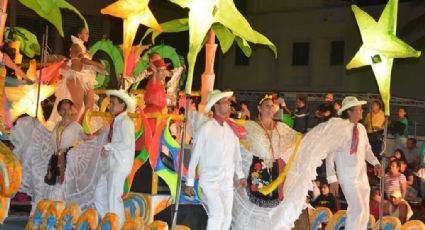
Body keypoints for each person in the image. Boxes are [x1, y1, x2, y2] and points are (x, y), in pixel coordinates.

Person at [10, 99, 106, 212]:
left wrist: (99, 134)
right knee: (50, 188)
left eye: (68, 109)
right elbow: (52, 140)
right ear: (59, 112)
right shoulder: (57, 125)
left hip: (67, 164)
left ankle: (58, 215)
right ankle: (48, 214)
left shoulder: (76, 127)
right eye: (63, 109)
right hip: (54, 162)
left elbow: (85, 140)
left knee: (61, 190)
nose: (65, 112)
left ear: (72, 111)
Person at [232, 94, 298, 230]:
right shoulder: (250, 126)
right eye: (266, 106)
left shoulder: (281, 127)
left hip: (276, 171)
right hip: (257, 169)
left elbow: (297, 140)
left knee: (272, 210)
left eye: (272, 106)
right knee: (257, 207)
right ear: (259, 108)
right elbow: (238, 145)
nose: (269, 108)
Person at [184, 90, 246, 230]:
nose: (229, 104)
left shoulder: (232, 128)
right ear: (216, 106)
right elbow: (195, 156)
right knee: (217, 213)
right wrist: (189, 182)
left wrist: (240, 175)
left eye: (228, 101)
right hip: (210, 180)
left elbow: (237, 155)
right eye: (224, 102)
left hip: (227, 180)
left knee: (228, 216)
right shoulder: (205, 128)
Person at [326, 96, 384, 229]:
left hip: (361, 176)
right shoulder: (339, 130)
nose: (362, 111)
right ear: (349, 112)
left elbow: (367, 150)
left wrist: (376, 163)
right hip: (347, 176)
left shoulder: (362, 129)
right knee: (357, 209)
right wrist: (331, 178)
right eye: (358, 109)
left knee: (364, 211)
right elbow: (330, 154)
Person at [46, 27, 105, 129]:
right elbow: (83, 60)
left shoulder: (83, 47)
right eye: (85, 33)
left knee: (89, 105)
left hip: (85, 78)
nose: (88, 35)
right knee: (77, 106)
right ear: (78, 35)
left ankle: (83, 129)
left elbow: (85, 63)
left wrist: (97, 67)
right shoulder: (76, 46)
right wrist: (97, 64)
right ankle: (68, 131)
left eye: (88, 33)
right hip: (75, 77)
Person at [95, 90, 135, 227]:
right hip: (111, 164)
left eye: (113, 103)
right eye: (110, 103)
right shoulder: (116, 121)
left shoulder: (126, 122)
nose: (110, 106)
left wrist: (108, 146)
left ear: (122, 105)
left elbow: (126, 143)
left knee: (113, 198)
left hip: (119, 165)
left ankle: (117, 226)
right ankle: (109, 223)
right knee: (99, 195)